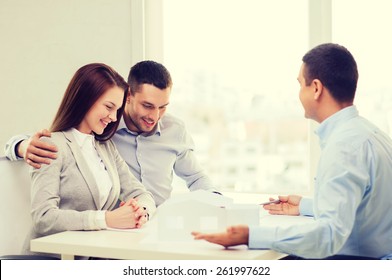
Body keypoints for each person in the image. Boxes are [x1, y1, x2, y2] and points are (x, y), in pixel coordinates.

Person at [192, 43, 392, 260]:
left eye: (300, 85)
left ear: (316, 88)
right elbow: (359, 208)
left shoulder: (344, 147)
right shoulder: (370, 134)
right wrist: (304, 205)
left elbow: (328, 236)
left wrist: (251, 236)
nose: (299, 93)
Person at [4, 61, 219, 206]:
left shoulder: (175, 130)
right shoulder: (104, 127)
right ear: (128, 97)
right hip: (114, 230)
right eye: (147, 106)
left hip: (158, 228)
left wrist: (218, 203)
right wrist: (22, 146)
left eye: (163, 106)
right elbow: (59, 136)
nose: (155, 116)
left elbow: (196, 177)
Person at [22, 63, 156, 258]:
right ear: (85, 99)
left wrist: (140, 213)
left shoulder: (106, 148)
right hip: (50, 260)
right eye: (109, 107)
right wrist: (106, 219)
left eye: (117, 110)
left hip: (86, 258)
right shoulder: (51, 144)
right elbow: (44, 218)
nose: (113, 117)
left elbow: (141, 193)